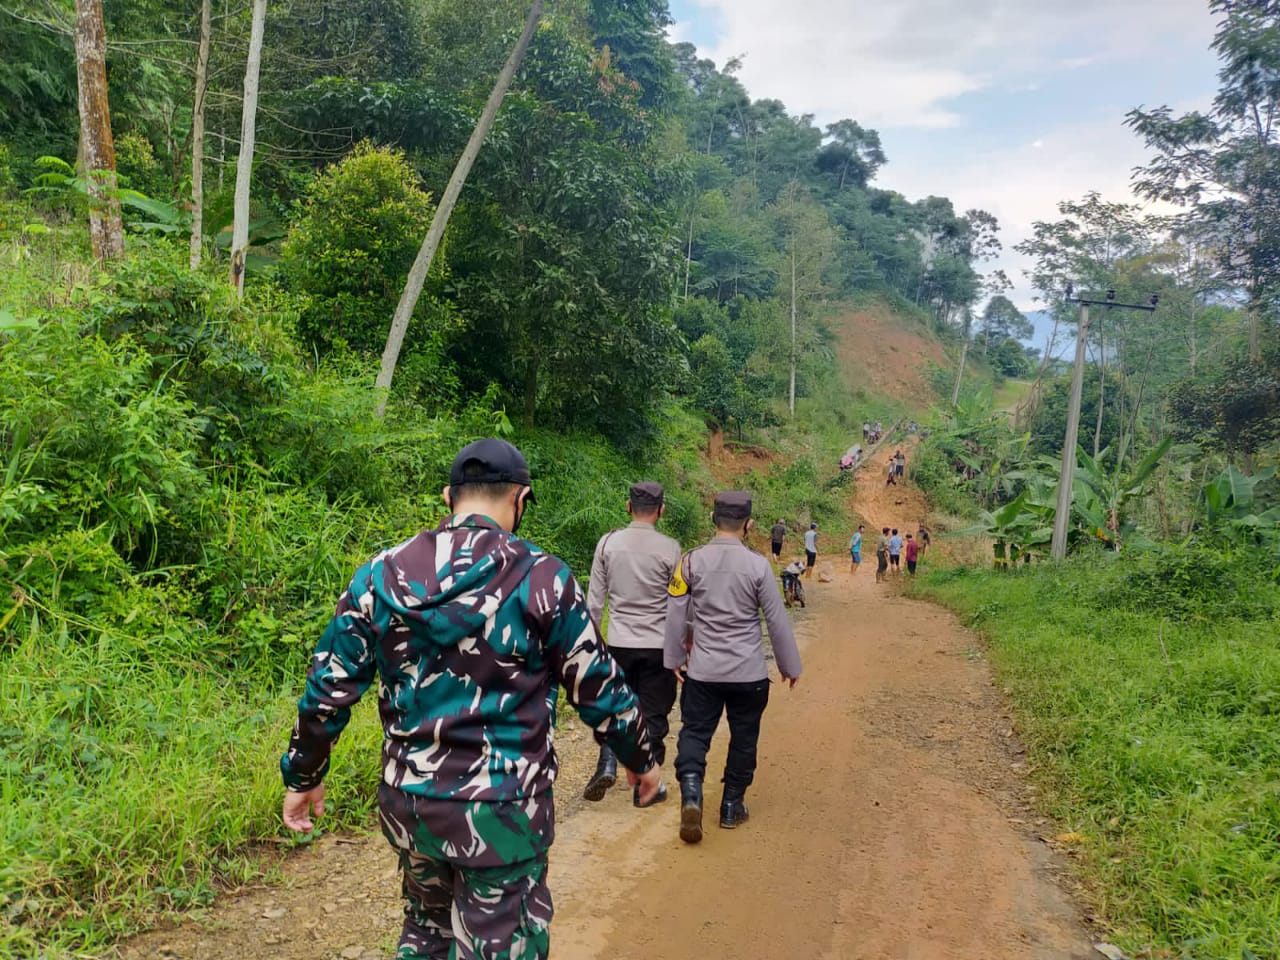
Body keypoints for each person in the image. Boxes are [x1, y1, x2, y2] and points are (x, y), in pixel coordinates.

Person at [280, 439, 661, 960]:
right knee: (503, 943)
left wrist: (304, 775)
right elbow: (598, 686)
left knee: (426, 932)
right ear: (520, 499)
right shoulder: (542, 577)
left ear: (447, 498)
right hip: (504, 811)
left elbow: (329, 685)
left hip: (410, 807)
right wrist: (641, 760)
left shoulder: (380, 574)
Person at [664, 491, 802, 844]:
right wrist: (789, 665)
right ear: (748, 525)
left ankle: (692, 793)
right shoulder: (758, 566)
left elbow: (676, 611)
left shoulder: (690, 561)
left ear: (713, 518)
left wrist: (674, 658)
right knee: (745, 736)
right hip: (749, 673)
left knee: (694, 732)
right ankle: (731, 806)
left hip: (703, 672)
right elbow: (776, 619)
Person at [583, 482, 683, 807]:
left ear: (628, 506)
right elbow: (679, 603)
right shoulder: (670, 549)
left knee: (616, 707)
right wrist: (682, 647)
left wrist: (590, 644)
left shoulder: (607, 544)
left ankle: (608, 761)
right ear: (661, 510)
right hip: (658, 645)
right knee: (653, 712)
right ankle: (645, 786)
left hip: (619, 642)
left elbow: (595, 602)